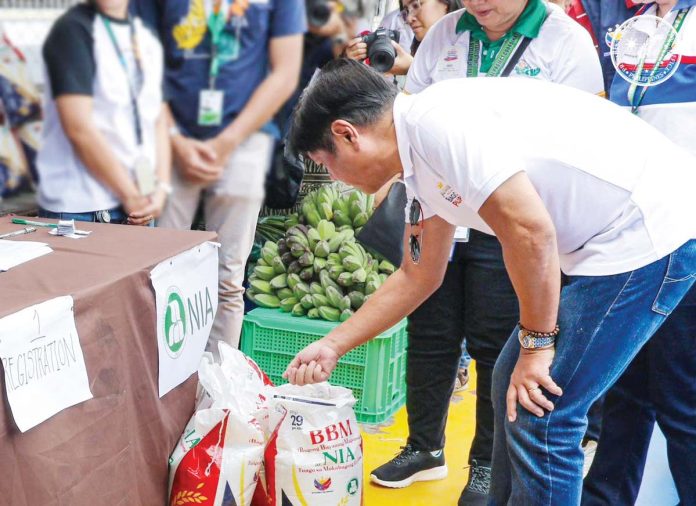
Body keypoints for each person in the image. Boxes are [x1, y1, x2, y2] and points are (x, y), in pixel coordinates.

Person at [283, 59, 696, 506]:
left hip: (646, 228)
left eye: (327, 162)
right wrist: (333, 344)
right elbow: (419, 273)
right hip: (607, 238)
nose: (335, 177)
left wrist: (538, 346)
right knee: (510, 384)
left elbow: (530, 231)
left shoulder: (438, 126)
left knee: (542, 409)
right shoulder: (418, 152)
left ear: (348, 134)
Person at [368, 1, 603, 503]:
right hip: (445, 206)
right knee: (430, 328)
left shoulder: (565, 40)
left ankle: (483, 465)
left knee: (496, 342)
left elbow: (583, 136)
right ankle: (423, 445)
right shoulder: (445, 36)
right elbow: (409, 115)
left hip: (514, 213)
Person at [582, 1, 696, 504]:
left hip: (686, 236)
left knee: (682, 398)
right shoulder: (634, 23)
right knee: (623, 390)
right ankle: (606, 497)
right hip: (628, 235)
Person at [155, 0, 306, 353]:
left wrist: (228, 141)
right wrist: (176, 140)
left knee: (228, 279)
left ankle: (218, 393)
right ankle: (162, 388)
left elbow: (285, 73)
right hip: (173, 138)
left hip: (244, 140)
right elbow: (144, 62)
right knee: (161, 270)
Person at [37, 0, 170, 226]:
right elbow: (79, 128)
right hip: (84, 207)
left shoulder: (144, 36)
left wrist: (162, 188)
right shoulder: (73, 30)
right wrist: (130, 195)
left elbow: (158, 119)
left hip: (139, 201)